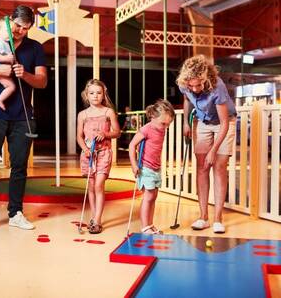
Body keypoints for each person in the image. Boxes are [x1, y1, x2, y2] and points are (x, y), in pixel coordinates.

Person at [0, 5, 47, 235]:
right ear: (10, 20)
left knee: (19, 168)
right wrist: (0, 72)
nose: (20, 31)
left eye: (25, 28)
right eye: (17, 26)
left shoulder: (36, 48)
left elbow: (42, 81)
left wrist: (26, 74)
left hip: (22, 117)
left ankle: (15, 213)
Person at [176, 55, 237, 234]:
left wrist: (214, 150)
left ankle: (218, 218)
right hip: (202, 122)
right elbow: (187, 99)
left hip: (224, 123)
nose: (194, 89)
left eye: (198, 85)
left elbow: (225, 123)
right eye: (191, 85)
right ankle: (203, 217)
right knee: (201, 167)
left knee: (219, 166)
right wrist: (187, 122)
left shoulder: (217, 86)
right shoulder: (184, 84)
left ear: (205, 78)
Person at [76, 79, 121, 234]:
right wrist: (85, 149)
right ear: (86, 95)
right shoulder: (82, 115)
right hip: (88, 155)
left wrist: (105, 133)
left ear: (103, 95)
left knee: (98, 185)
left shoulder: (108, 112)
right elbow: (79, 136)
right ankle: (94, 216)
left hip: (103, 153)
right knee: (91, 186)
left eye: (98, 93)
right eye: (92, 93)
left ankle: (97, 219)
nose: (95, 96)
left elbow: (117, 132)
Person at [128, 99, 175, 234]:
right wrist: (134, 164)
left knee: (154, 197)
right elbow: (132, 145)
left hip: (156, 168)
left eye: (168, 125)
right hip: (146, 167)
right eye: (163, 123)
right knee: (148, 197)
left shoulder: (161, 129)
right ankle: (144, 226)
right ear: (153, 117)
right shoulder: (146, 129)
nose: (165, 127)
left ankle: (150, 224)